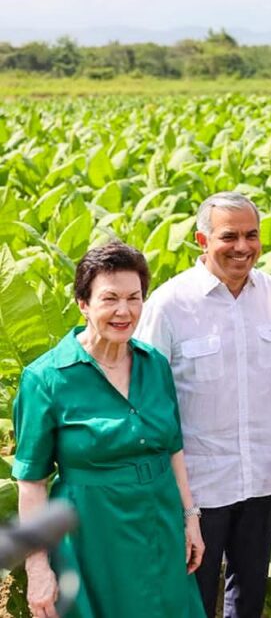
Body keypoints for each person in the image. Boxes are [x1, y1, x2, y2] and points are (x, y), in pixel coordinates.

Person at [13, 241, 205, 618]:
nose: (124, 311)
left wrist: (190, 517)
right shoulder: (45, 378)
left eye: (134, 298)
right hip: (91, 533)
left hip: (160, 522)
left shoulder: (155, 364)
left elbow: (173, 448)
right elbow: (31, 482)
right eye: (110, 299)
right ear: (83, 304)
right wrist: (37, 568)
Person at [136, 192, 271, 618]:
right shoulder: (169, 304)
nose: (242, 247)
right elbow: (146, 399)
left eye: (251, 235)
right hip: (198, 485)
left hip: (261, 477)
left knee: (250, 592)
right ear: (202, 240)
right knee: (192, 596)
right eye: (229, 236)